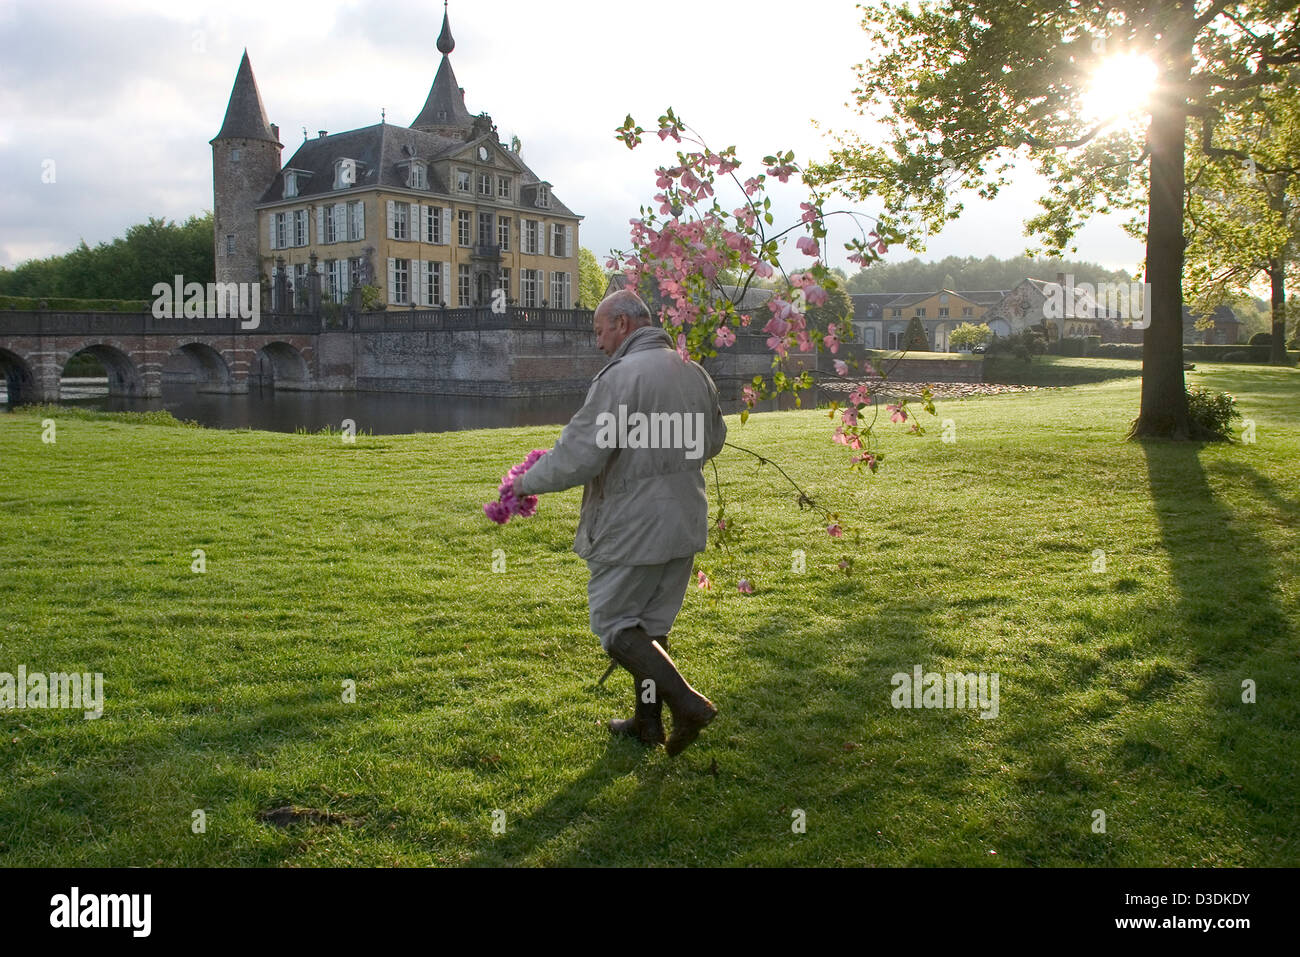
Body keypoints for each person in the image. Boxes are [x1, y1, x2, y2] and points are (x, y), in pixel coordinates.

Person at [510, 289, 727, 756]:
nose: (597, 342)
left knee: (613, 625)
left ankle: (687, 705)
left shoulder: (621, 378)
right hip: (684, 517)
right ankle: (648, 725)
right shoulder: (695, 371)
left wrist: (525, 482)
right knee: (651, 623)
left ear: (624, 324)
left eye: (600, 330)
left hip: (633, 522)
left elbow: (578, 456)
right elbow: (713, 442)